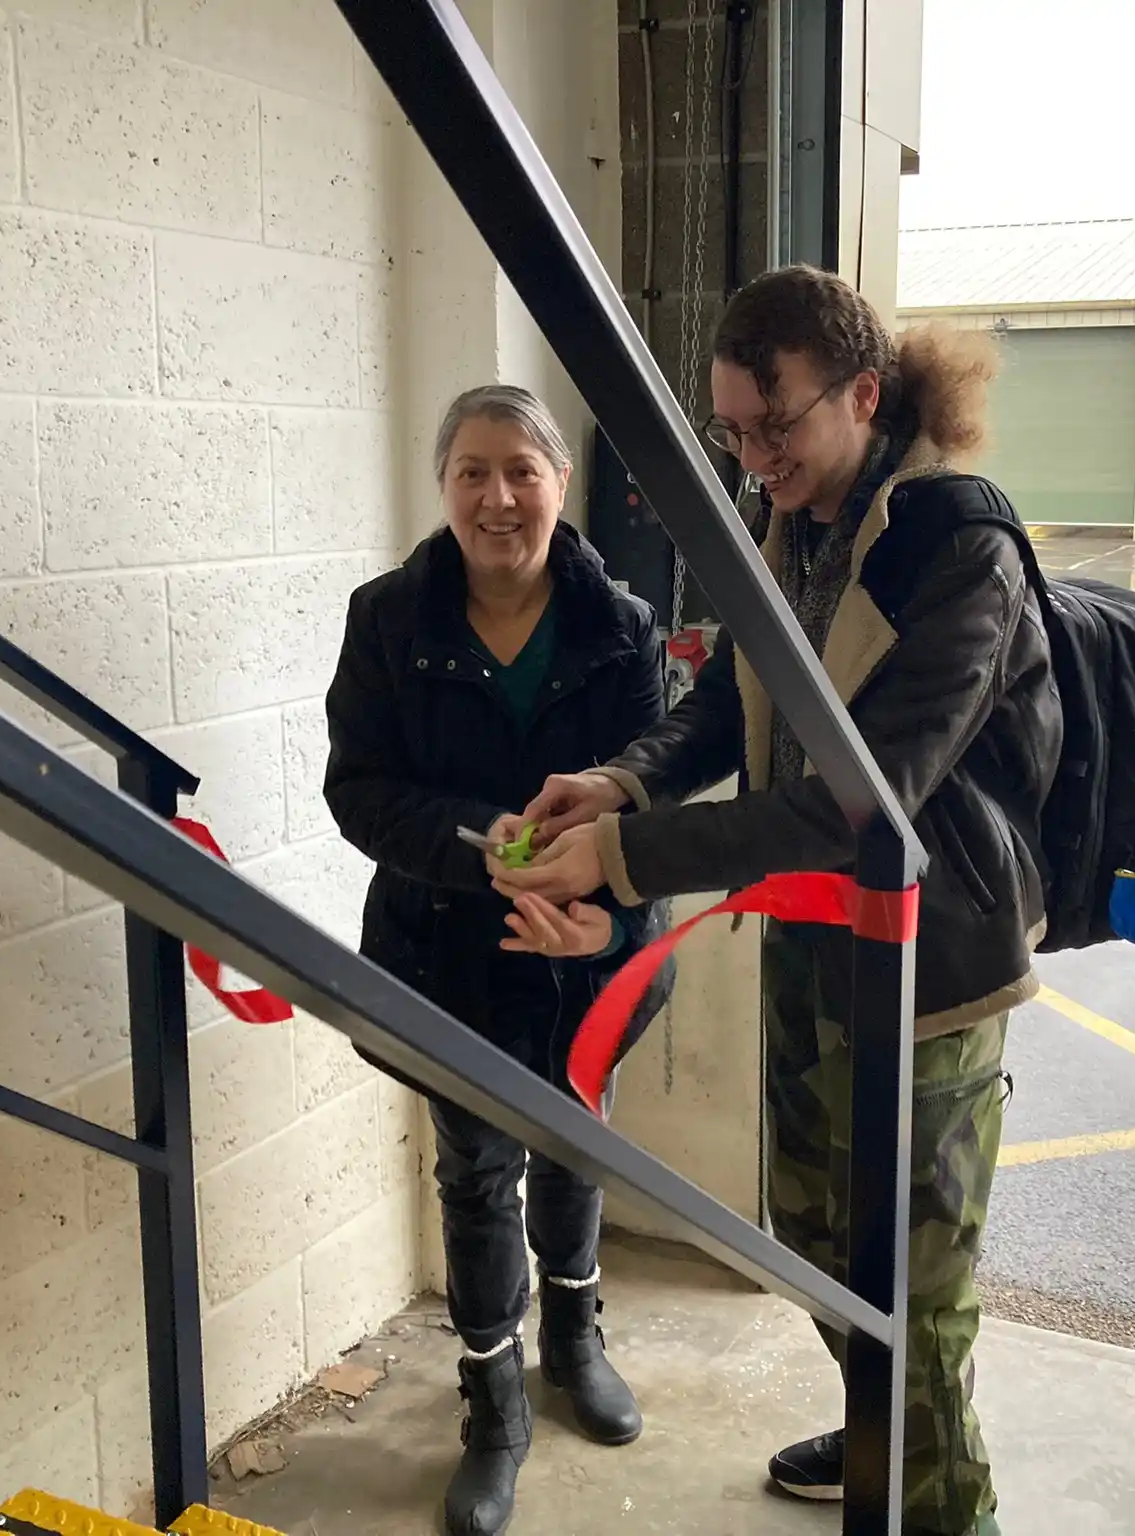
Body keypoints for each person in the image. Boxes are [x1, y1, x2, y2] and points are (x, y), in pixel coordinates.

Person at [497, 266, 1062, 1536]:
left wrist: (626, 865)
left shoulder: (957, 544)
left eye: (776, 425)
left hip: (931, 966)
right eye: (732, 432)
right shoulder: (798, 521)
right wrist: (619, 786)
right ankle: (881, 1431)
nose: (753, 460)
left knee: (914, 1289)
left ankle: (936, 1498)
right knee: (809, 1237)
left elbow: (866, 804)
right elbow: (725, 702)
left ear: (862, 394)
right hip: (811, 933)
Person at [322, 384, 671, 1536]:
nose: (497, 496)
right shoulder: (385, 620)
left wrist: (608, 920)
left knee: (576, 1146)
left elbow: (649, 798)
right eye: (471, 471)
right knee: (475, 1172)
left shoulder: (622, 624)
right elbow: (359, 790)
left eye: (520, 469)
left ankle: (574, 1340)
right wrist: (492, 852)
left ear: (559, 484)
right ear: (443, 488)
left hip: (584, 959)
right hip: (443, 953)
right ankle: (491, 1403)